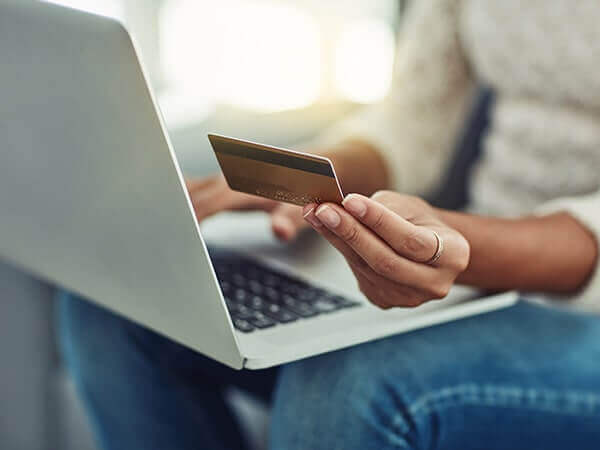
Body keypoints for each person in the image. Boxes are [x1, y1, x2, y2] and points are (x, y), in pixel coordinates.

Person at [59, 1, 600, 449]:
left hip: (573, 302)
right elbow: (412, 123)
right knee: (122, 306)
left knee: (347, 381)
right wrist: (295, 176)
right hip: (477, 263)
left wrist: (457, 245)